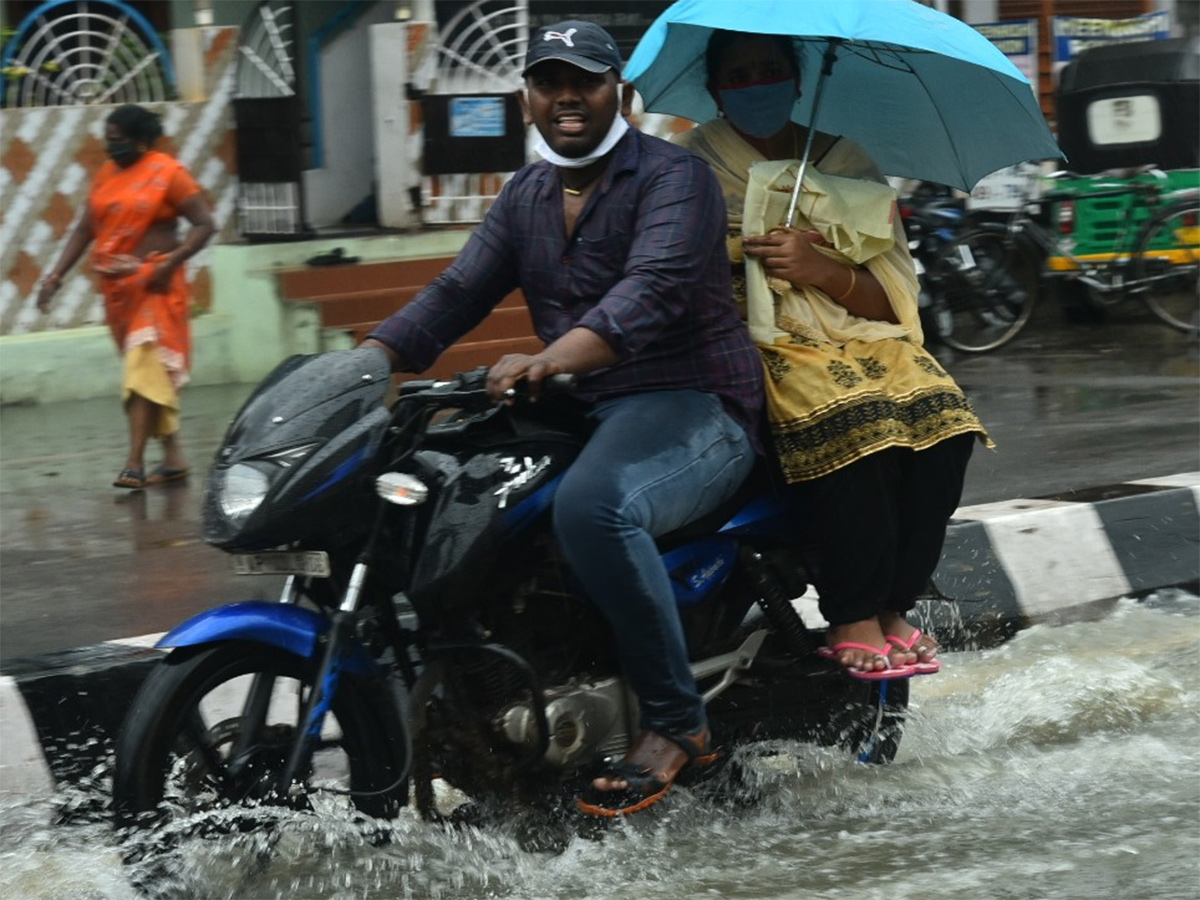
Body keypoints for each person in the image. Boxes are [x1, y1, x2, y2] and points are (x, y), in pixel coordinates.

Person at [361, 21, 763, 817]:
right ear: (528, 98)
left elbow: (647, 293)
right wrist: (365, 362)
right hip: (587, 406)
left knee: (595, 506)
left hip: (694, 403)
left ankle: (679, 723)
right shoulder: (527, 195)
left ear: (622, 92)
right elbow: (455, 293)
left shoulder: (674, 178)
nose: (567, 97)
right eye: (549, 83)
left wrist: (548, 361)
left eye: (585, 80)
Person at [675, 31, 991, 679]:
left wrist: (819, 266)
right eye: (739, 76)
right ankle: (851, 612)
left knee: (945, 424)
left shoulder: (843, 160)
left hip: (858, 330)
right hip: (750, 339)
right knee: (857, 425)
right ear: (714, 91)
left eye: (769, 71)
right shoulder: (688, 166)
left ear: (797, 80)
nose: (756, 85)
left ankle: (894, 606)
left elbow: (890, 296)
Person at [36, 104, 216, 490]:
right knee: (148, 376)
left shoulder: (168, 173)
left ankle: (133, 463)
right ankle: (173, 455)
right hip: (119, 294)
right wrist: (55, 277)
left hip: (157, 286)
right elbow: (85, 229)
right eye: (107, 141)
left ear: (139, 140)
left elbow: (205, 225)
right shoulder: (105, 174)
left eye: (116, 141)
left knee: (143, 365)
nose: (109, 148)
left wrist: (170, 263)